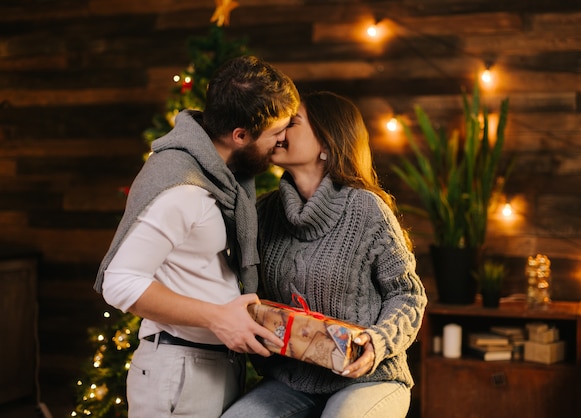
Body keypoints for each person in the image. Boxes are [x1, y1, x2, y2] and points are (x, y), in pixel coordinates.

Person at [93, 56, 300, 418]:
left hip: (213, 365)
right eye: (276, 131)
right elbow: (120, 282)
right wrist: (217, 318)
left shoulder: (223, 176)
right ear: (240, 135)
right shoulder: (182, 188)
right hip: (180, 372)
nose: (283, 140)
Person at [221, 91, 428, 418]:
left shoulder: (366, 210)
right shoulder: (264, 212)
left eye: (293, 124)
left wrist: (376, 344)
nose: (280, 132)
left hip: (370, 378)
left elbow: (408, 295)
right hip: (292, 381)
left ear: (327, 146)